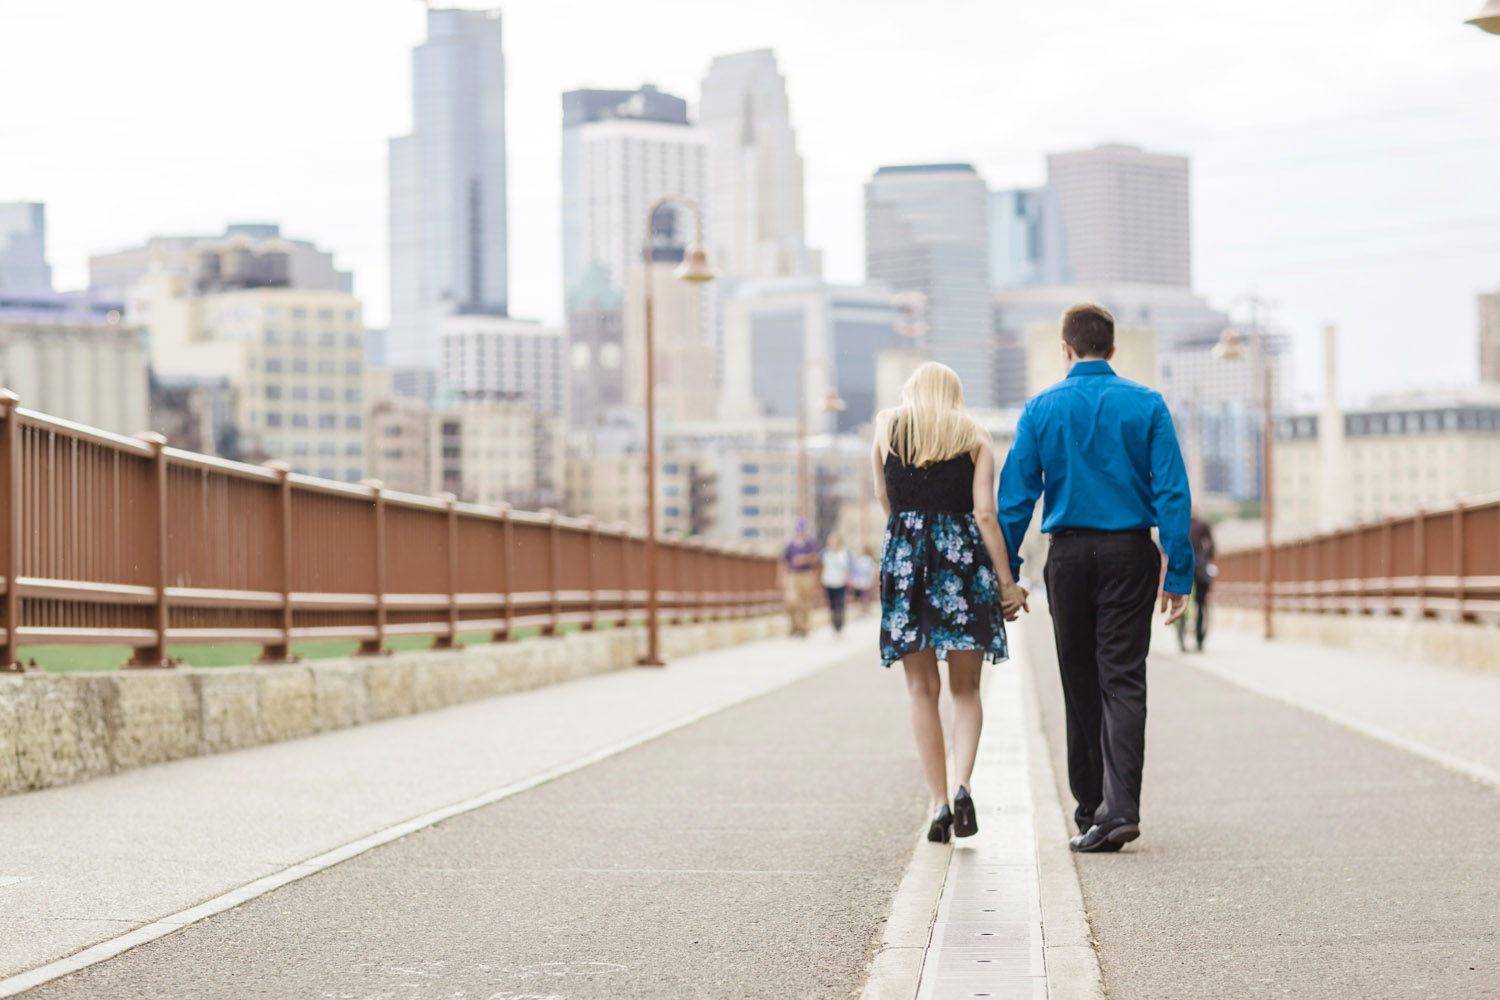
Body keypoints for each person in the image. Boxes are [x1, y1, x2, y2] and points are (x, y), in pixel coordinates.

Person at [997, 303, 1192, 854]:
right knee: (1124, 679)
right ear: (1112, 349)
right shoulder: (1147, 405)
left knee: (1079, 681)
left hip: (1069, 558)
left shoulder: (1041, 408)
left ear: (1066, 349)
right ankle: (1121, 807)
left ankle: (1090, 810)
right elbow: (1173, 493)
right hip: (1132, 553)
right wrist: (1177, 571)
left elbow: (1015, 499)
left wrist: (1008, 573)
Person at [874, 362, 1027, 844]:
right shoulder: (975, 434)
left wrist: (908, 536)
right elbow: (985, 513)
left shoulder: (885, 427)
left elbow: (884, 498)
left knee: (922, 691)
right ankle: (963, 786)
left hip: (906, 558)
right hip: (962, 561)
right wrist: (1007, 584)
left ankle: (938, 804)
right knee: (966, 689)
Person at [1177, 510, 1217, 652]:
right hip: (1200, 567)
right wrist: (1207, 558)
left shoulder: (1181, 524)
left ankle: (1181, 637)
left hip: (1183, 566)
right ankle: (1199, 639)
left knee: (1181, 601)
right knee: (1201, 604)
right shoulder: (1203, 525)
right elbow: (1212, 546)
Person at [782, 518, 819, 637]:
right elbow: (783, 560)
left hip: (807, 574)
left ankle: (804, 626)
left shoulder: (811, 543)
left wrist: (805, 559)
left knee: (806, 602)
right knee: (791, 600)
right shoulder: (790, 544)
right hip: (793, 575)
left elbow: (816, 558)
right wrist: (782, 577)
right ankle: (794, 625)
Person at [821, 533, 853, 633]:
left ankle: (840, 624)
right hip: (829, 582)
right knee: (832, 605)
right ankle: (834, 625)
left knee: (840, 604)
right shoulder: (826, 553)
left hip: (841, 582)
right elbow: (822, 565)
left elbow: (847, 566)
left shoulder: (844, 553)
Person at [850, 548, 878, 617]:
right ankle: (865, 611)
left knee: (861, 597)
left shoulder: (860, 560)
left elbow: (856, 570)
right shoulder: (870, 560)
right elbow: (872, 572)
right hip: (867, 582)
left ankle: (862, 611)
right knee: (866, 597)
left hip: (860, 582)